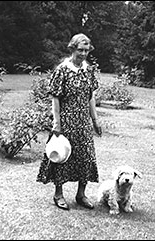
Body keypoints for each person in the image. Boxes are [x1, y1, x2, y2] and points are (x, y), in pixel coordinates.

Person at [37, 33, 102, 211]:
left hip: (83, 122)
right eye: (80, 50)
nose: (83, 54)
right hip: (66, 120)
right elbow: (55, 99)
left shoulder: (89, 70)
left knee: (86, 157)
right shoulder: (62, 70)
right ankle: (58, 194)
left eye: (86, 50)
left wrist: (95, 120)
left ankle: (81, 194)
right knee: (62, 157)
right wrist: (56, 123)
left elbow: (90, 97)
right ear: (72, 48)